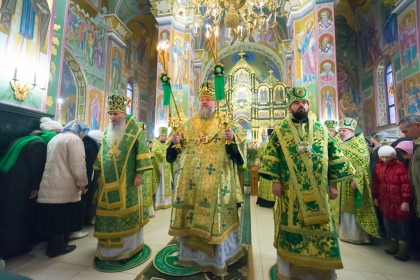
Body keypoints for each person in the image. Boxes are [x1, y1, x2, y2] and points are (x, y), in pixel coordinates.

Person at [258, 87, 355, 280]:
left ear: (308, 106)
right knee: (290, 226)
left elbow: (334, 155)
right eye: (296, 103)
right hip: (290, 194)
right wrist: (275, 181)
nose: (301, 105)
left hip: (319, 193)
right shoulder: (280, 131)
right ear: (289, 107)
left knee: (321, 229)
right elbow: (271, 157)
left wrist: (333, 184)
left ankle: (322, 273)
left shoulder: (321, 130)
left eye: (304, 102)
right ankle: (287, 270)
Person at [166, 81, 246, 276]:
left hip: (217, 184)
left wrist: (232, 139)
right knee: (190, 217)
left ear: (215, 102)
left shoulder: (226, 123)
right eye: (202, 99)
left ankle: (218, 259)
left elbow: (238, 157)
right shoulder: (188, 124)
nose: (204, 103)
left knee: (214, 219)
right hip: (190, 185)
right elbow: (172, 155)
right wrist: (175, 143)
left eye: (208, 99)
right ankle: (191, 256)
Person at [93, 94, 152, 264]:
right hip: (108, 183)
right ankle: (107, 250)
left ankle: (128, 249)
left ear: (123, 114)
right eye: (110, 114)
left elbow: (142, 151)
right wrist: (99, 173)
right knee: (108, 214)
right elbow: (101, 155)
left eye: (116, 114)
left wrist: (140, 174)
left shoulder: (134, 131)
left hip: (128, 183)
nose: (113, 117)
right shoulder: (106, 133)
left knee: (125, 213)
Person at [0, 123, 58, 258]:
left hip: (9, 182)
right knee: (18, 216)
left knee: (9, 214)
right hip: (22, 186)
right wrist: (35, 187)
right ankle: (14, 248)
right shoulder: (38, 144)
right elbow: (36, 169)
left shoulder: (21, 140)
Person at [36, 121, 88, 258]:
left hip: (50, 184)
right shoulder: (74, 140)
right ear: (80, 131)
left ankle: (54, 245)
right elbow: (78, 164)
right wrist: (82, 182)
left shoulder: (54, 138)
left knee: (53, 217)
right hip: (64, 185)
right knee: (61, 218)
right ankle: (57, 247)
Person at [337, 117, 380, 244]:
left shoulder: (359, 144)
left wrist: (357, 181)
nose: (340, 133)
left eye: (343, 130)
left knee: (353, 208)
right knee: (343, 208)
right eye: (339, 130)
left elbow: (363, 164)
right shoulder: (339, 142)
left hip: (352, 182)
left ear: (351, 131)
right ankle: (344, 233)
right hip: (340, 182)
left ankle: (356, 236)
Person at [372, 145, 412, 261]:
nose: (385, 160)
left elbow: (406, 185)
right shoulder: (378, 167)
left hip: (398, 201)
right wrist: (375, 197)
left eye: (388, 157)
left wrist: (405, 201)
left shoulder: (400, 167)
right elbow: (376, 183)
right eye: (383, 157)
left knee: (401, 225)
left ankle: (403, 250)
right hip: (385, 200)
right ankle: (393, 245)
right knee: (388, 224)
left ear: (393, 156)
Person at [152, 127, 172, 209]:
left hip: (167, 168)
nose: (165, 137)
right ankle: (159, 203)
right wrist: (158, 167)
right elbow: (154, 155)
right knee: (160, 186)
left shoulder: (167, 144)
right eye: (164, 136)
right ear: (160, 136)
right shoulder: (155, 144)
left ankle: (166, 202)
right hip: (159, 168)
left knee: (166, 185)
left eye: (166, 136)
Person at [256, 129, 276, 208]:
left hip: (265, 170)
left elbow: (259, 156)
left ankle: (263, 201)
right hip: (274, 171)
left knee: (265, 185)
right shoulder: (277, 145)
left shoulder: (264, 145)